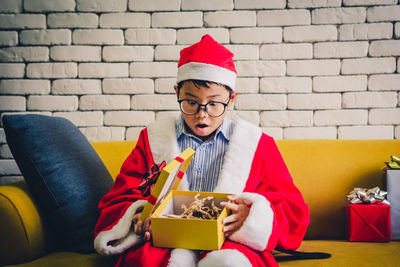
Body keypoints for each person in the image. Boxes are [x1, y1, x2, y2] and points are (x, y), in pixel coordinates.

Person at [94, 34, 310, 267]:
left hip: (229, 241)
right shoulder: (152, 140)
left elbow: (293, 208)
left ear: (232, 98)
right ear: (177, 92)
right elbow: (123, 193)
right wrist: (139, 215)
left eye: (214, 103)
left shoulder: (257, 144)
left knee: (231, 263)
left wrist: (251, 216)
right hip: (165, 241)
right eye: (191, 102)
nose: (202, 114)